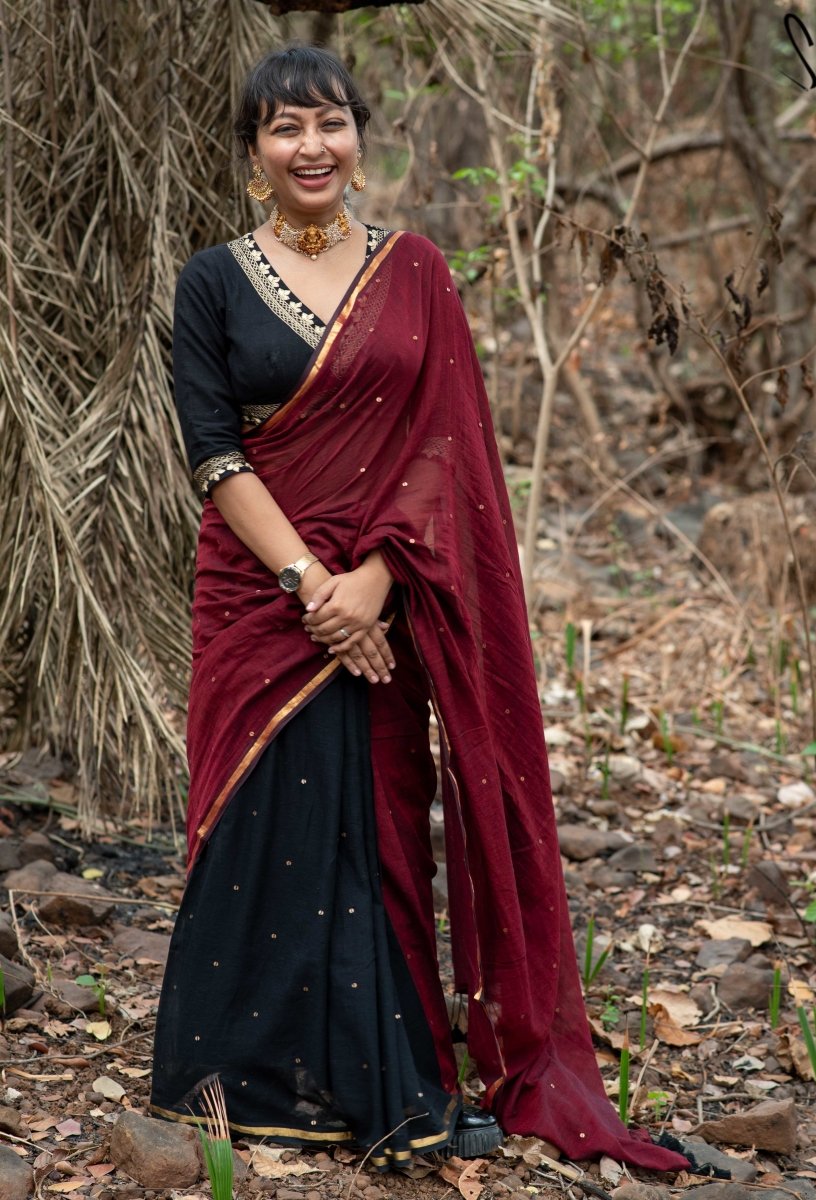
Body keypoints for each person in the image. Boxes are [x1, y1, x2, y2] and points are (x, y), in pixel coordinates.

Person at [150, 44, 690, 1176]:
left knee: (380, 823)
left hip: (389, 596)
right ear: (253, 153)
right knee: (253, 817)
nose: (312, 147)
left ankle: (376, 1067)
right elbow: (211, 451)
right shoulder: (211, 281)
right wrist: (310, 588)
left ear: (360, 137)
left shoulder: (418, 271)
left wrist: (373, 589)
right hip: (259, 594)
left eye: (331, 124)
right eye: (285, 129)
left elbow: (447, 451)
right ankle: (236, 1074)